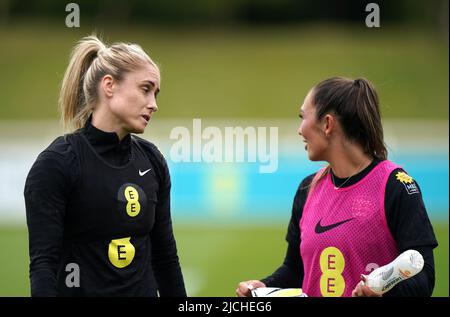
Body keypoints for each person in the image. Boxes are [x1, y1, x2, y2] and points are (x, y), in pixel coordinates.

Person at [236, 77, 438, 297]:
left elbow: (424, 277)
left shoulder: (396, 187)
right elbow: (295, 271)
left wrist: (384, 293)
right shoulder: (307, 189)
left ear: (327, 124)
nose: (299, 130)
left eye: (302, 117)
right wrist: (264, 287)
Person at [24, 35, 186, 297]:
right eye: (145, 89)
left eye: (155, 93)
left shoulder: (152, 160)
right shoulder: (57, 163)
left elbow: (165, 257)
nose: (154, 104)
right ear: (109, 85)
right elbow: (44, 266)